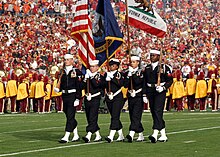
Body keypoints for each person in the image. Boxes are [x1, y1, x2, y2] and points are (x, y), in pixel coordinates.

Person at [143, 50, 173, 143]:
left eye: (154, 56)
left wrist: (163, 87)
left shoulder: (165, 67)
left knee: (157, 110)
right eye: (151, 55)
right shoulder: (147, 68)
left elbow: (170, 80)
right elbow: (144, 81)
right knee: (154, 111)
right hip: (150, 90)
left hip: (160, 91)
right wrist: (144, 94)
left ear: (159, 57)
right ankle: (163, 134)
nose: (152, 57)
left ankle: (155, 133)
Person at [54, 54, 83, 143]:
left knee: (70, 115)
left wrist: (77, 98)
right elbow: (61, 83)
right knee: (68, 115)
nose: (66, 61)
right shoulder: (62, 72)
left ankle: (66, 136)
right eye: (65, 59)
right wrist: (58, 89)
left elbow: (79, 86)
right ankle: (76, 135)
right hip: (64, 95)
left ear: (71, 61)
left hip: (72, 95)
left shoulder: (76, 72)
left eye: (67, 60)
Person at [82, 60, 104, 143]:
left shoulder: (99, 76)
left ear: (97, 67)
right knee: (89, 117)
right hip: (87, 98)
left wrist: (91, 77)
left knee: (92, 116)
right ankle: (98, 135)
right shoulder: (87, 76)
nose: (92, 68)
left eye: (94, 66)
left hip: (95, 98)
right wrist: (85, 79)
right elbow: (82, 86)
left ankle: (89, 134)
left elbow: (97, 84)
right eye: (91, 66)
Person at [124, 55, 145, 142]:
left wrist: (133, 75)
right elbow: (125, 85)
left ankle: (131, 133)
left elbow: (138, 82)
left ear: (138, 63)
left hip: (138, 95)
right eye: (131, 62)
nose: (132, 64)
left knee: (136, 115)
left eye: (134, 62)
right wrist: (128, 76)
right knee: (132, 115)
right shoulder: (127, 72)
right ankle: (140, 134)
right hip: (130, 95)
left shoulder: (141, 72)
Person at [105, 58, 125, 143]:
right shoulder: (107, 74)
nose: (111, 67)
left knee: (115, 116)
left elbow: (121, 83)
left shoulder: (119, 74)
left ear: (117, 66)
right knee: (114, 115)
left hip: (117, 97)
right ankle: (121, 135)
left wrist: (112, 78)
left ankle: (111, 135)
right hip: (109, 97)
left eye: (113, 65)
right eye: (110, 65)